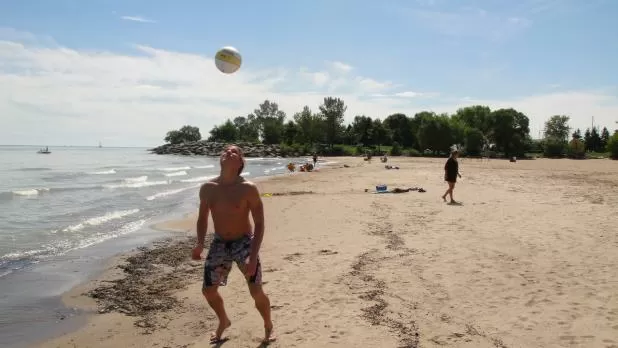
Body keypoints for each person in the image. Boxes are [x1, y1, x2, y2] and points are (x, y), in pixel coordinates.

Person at [191, 145, 276, 344]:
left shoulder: (248, 188)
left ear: (240, 163)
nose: (229, 152)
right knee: (208, 291)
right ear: (220, 159)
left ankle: (268, 325)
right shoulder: (208, 188)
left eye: (235, 151)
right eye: (225, 151)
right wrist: (200, 243)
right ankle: (224, 321)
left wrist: (253, 257)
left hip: (244, 242)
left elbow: (260, 223)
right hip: (220, 243)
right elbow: (202, 219)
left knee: (256, 291)